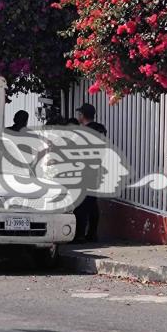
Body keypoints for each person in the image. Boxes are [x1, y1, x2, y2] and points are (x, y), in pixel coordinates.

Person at [73, 103, 108, 243]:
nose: (78, 116)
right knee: (92, 204)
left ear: (82, 115)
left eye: (79, 114)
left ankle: (80, 235)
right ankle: (92, 233)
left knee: (81, 204)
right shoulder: (100, 130)